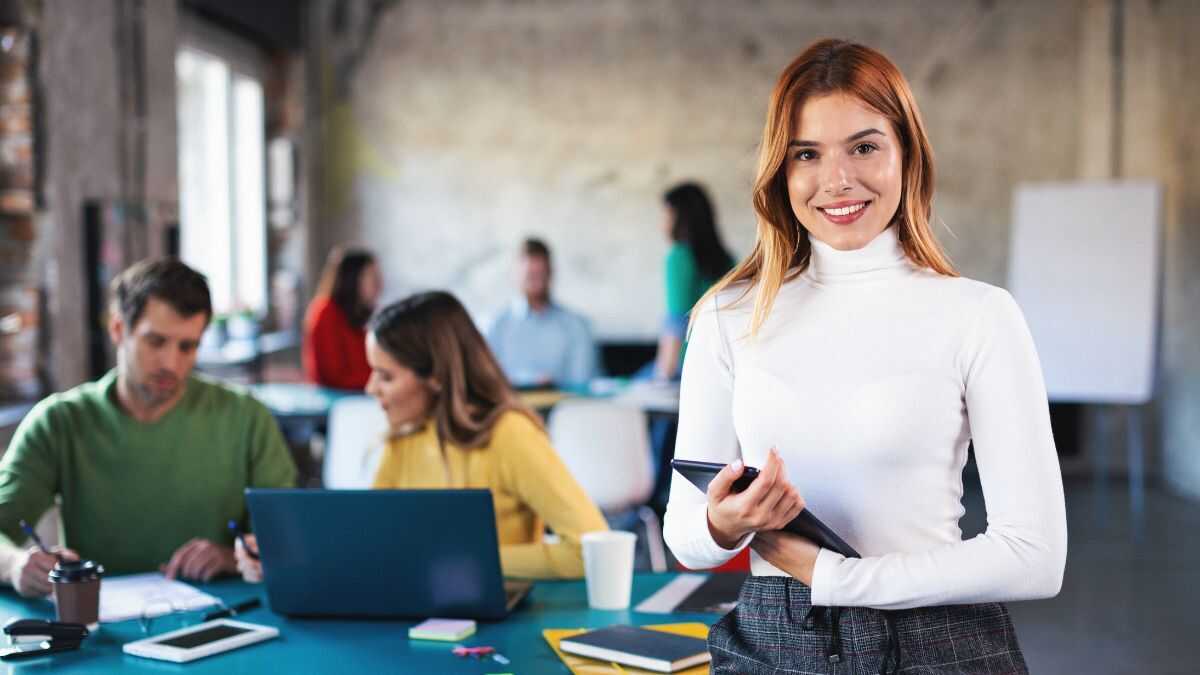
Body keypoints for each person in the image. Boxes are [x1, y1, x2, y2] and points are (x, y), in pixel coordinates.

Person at [663, 39, 1066, 674]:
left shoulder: (979, 315)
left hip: (937, 640)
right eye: (807, 154)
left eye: (864, 146)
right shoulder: (726, 317)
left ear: (907, 154)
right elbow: (686, 538)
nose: (838, 180)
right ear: (781, 170)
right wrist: (722, 521)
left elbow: (1035, 556)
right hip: (774, 638)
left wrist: (840, 578)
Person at [237, 291, 608, 581]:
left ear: (436, 377)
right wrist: (284, 555)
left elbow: (589, 547)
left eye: (386, 376)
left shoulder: (509, 435)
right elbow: (371, 545)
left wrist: (468, 560)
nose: (370, 389)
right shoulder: (401, 439)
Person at [0, 259, 297, 596]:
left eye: (188, 347)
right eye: (155, 342)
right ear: (118, 330)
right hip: (101, 632)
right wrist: (14, 565)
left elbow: (288, 539)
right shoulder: (60, 422)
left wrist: (233, 557)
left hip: (226, 622)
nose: (171, 363)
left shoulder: (247, 418)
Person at [486, 238, 599, 389]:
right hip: (509, 409)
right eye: (530, 276)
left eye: (541, 275)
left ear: (551, 274)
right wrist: (530, 382)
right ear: (515, 275)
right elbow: (487, 382)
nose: (536, 283)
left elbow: (583, 385)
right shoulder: (494, 325)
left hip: (564, 409)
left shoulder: (576, 326)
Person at [651, 182, 734, 381]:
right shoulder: (729, 259)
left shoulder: (679, 257)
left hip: (687, 368)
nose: (661, 223)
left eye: (666, 215)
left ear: (679, 218)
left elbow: (677, 321)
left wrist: (661, 379)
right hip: (723, 365)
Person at [302, 246, 382, 390]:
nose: (379, 284)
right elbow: (334, 376)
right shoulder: (325, 311)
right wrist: (384, 380)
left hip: (357, 392)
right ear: (352, 278)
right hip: (337, 397)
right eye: (372, 276)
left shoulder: (360, 314)